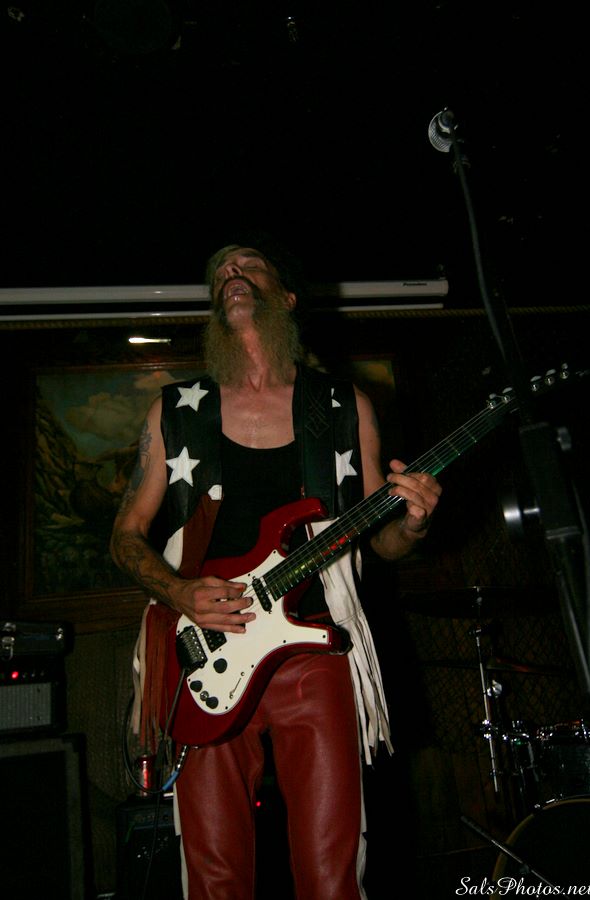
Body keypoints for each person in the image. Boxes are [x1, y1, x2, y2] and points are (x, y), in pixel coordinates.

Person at [110, 241, 442, 899]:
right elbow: (124, 537)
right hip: (207, 653)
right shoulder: (175, 410)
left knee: (331, 871)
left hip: (315, 647)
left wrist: (412, 524)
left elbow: (380, 544)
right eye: (219, 273)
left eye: (247, 263)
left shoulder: (344, 406)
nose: (229, 273)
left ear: (287, 298)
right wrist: (180, 592)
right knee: (215, 874)